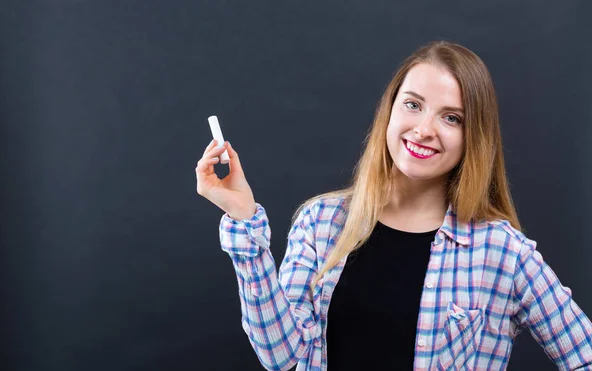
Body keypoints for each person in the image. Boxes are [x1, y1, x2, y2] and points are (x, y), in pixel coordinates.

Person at [196, 41, 592, 371]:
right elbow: (279, 355)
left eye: (451, 118)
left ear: (475, 137)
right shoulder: (320, 224)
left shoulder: (502, 252)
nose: (424, 129)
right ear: (390, 110)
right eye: (413, 105)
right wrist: (243, 217)